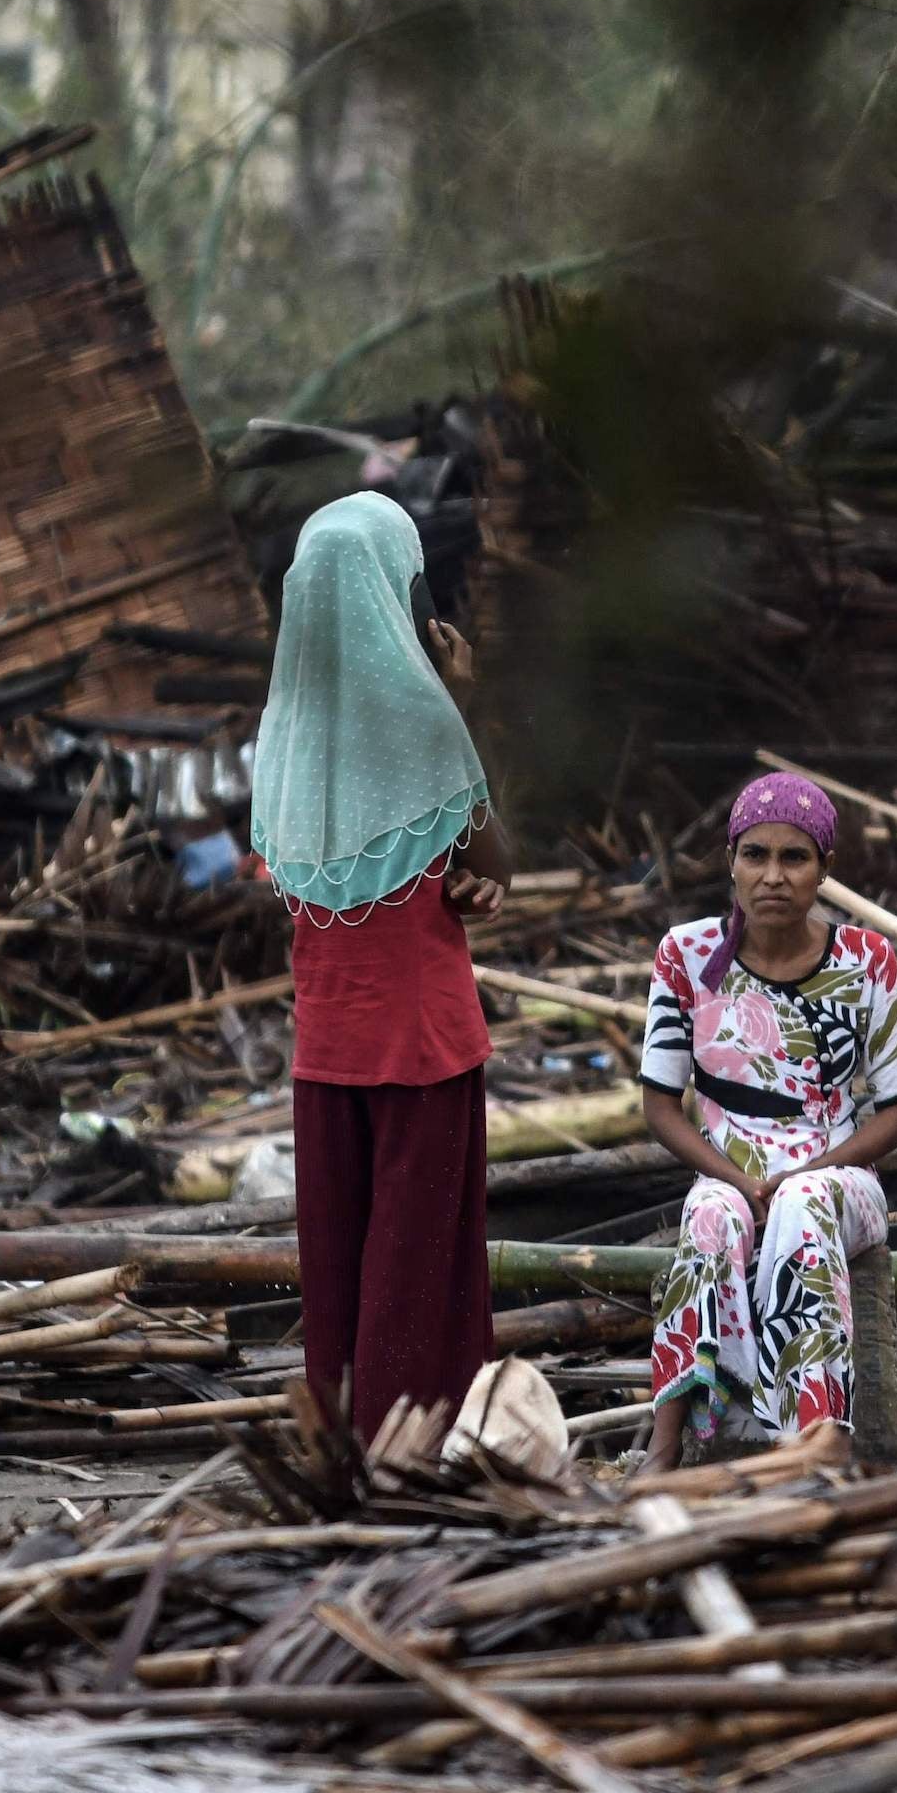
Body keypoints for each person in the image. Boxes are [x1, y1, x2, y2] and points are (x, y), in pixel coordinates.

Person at [246, 491, 512, 1457]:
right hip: (426, 1047)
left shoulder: (282, 742)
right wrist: (456, 707)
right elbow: (496, 862)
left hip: (327, 1052)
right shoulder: (422, 722)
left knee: (345, 1266)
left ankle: (349, 1447)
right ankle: (412, 1456)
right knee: (419, 1270)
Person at [640, 773, 897, 1460]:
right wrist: (733, 1176)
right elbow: (659, 1106)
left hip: (842, 1176)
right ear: (730, 860)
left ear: (825, 867)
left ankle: (816, 1434)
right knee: (708, 1216)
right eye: (755, 854)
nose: (773, 875)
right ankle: (669, 1442)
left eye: (795, 857)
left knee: (801, 1197)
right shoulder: (687, 955)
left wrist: (818, 1166)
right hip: (728, 1169)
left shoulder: (866, 960)